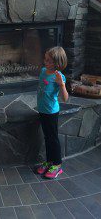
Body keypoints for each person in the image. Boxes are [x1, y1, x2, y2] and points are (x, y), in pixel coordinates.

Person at [36, 46, 68, 179]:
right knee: (47, 137)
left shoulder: (59, 77)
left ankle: (58, 165)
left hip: (51, 112)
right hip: (42, 109)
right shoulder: (43, 71)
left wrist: (62, 85)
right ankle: (49, 161)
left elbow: (65, 99)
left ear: (57, 63)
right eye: (45, 59)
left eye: (49, 61)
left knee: (53, 138)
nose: (45, 62)